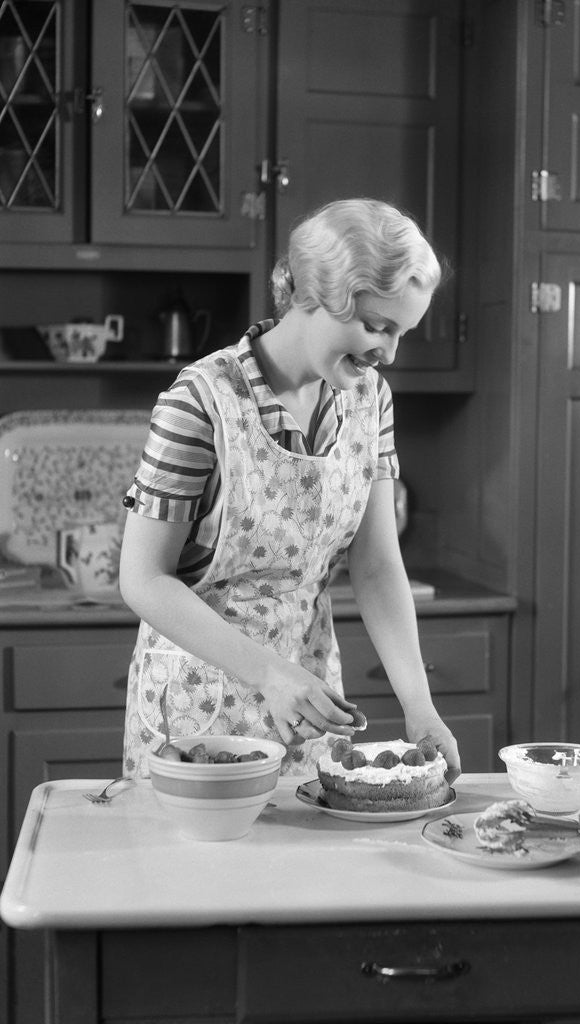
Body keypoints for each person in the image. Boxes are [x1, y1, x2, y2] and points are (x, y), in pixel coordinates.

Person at [118, 197, 462, 784]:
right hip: (198, 705)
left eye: (401, 331)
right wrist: (269, 675)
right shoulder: (200, 403)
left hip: (309, 703)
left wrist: (419, 705)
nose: (388, 352)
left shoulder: (368, 399)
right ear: (310, 294)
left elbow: (377, 565)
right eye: (375, 326)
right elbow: (143, 579)